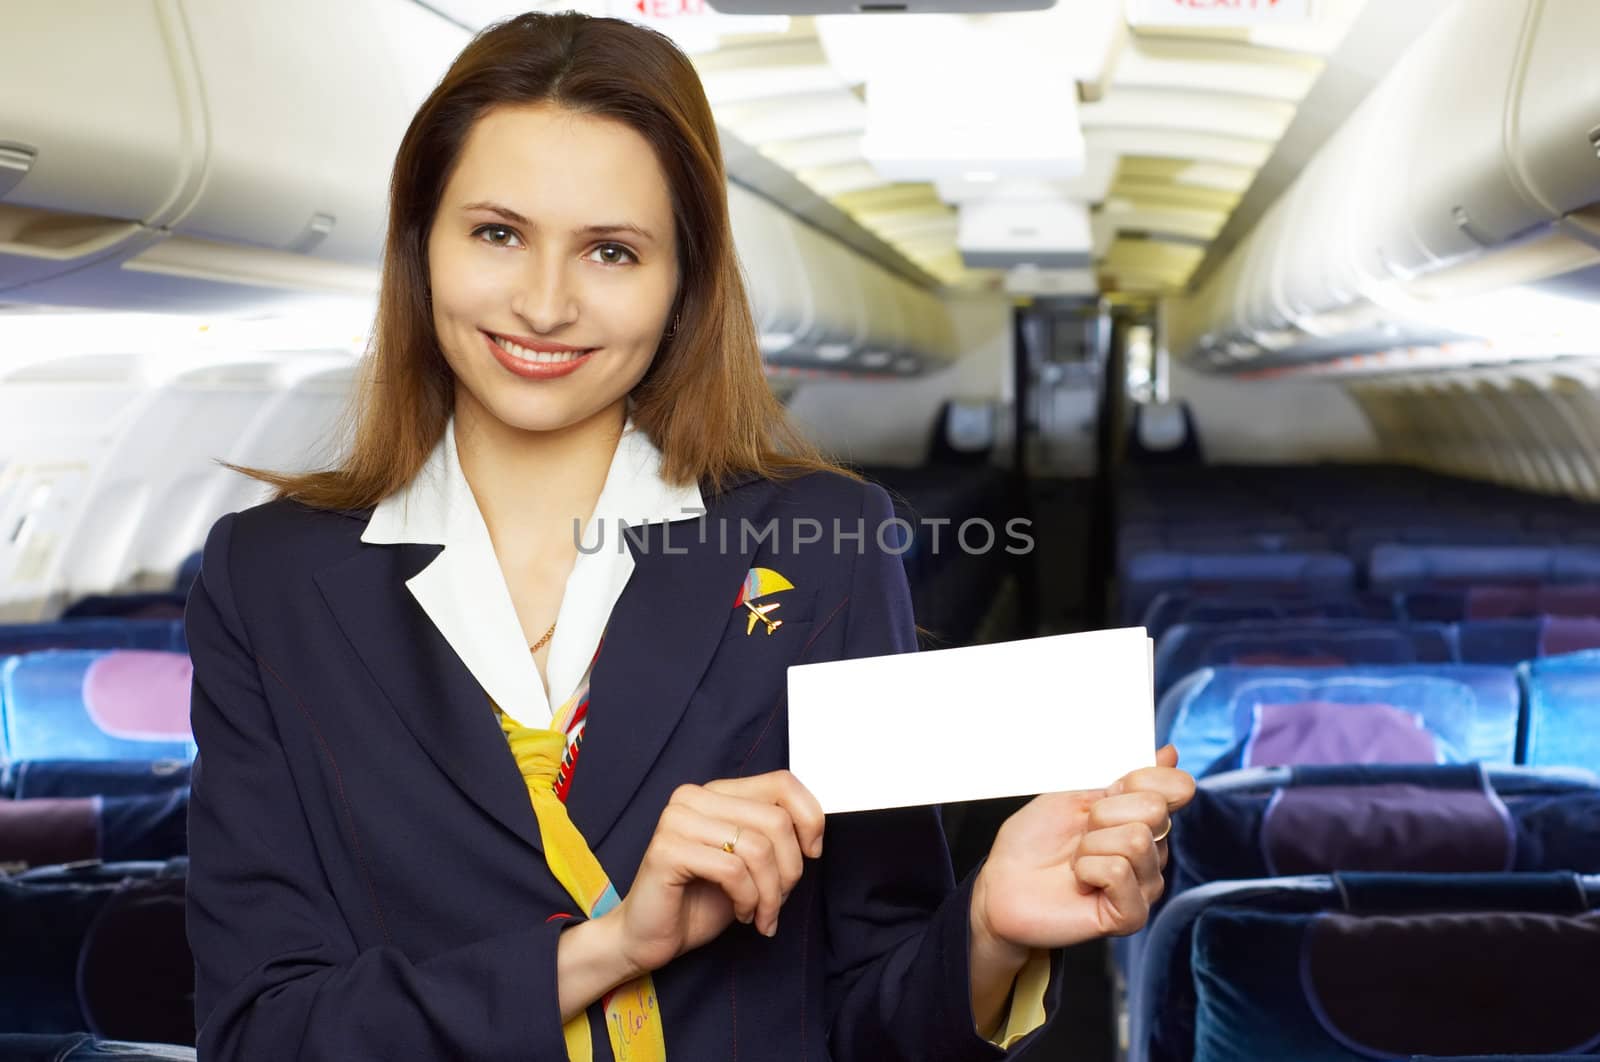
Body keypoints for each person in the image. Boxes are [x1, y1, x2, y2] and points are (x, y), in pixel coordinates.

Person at [183, 12, 1195, 1061]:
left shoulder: (823, 546)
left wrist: (983, 931)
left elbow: (864, 1008)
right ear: (419, 244)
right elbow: (262, 1034)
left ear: (683, 285)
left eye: (611, 251)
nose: (543, 302)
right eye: (496, 234)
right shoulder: (271, 581)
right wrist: (611, 947)